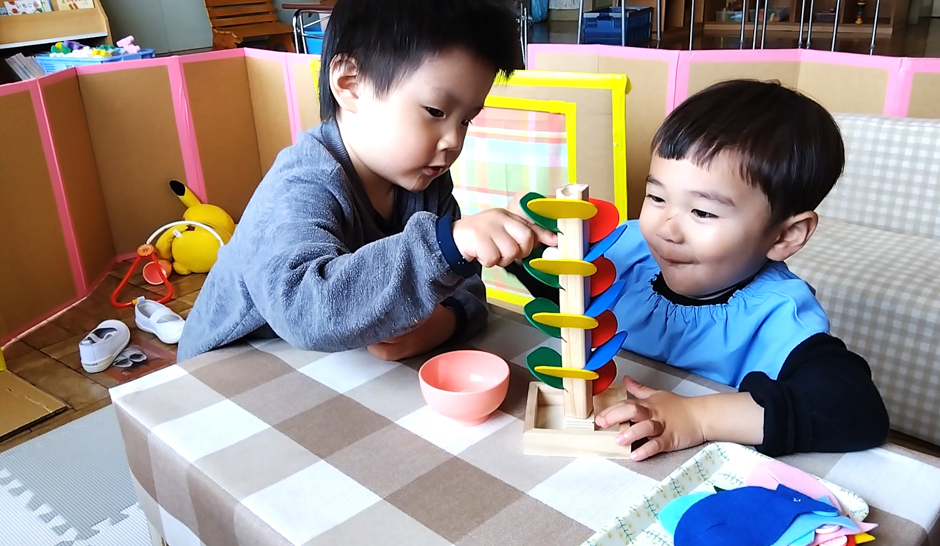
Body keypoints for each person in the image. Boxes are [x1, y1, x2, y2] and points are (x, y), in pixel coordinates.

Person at [178, 0, 555, 362]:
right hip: (226, 372)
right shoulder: (301, 182)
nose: (453, 140)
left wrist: (447, 321)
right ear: (350, 84)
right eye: (436, 111)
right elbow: (306, 309)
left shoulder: (427, 184)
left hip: (331, 367)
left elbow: (463, 282)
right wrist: (447, 244)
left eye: (465, 120)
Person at [583, 80, 889, 460]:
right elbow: (562, 296)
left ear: (785, 235)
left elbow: (856, 410)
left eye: (703, 212)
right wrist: (514, 246)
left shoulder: (778, 314)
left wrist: (697, 417)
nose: (665, 229)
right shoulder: (626, 251)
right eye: (656, 197)